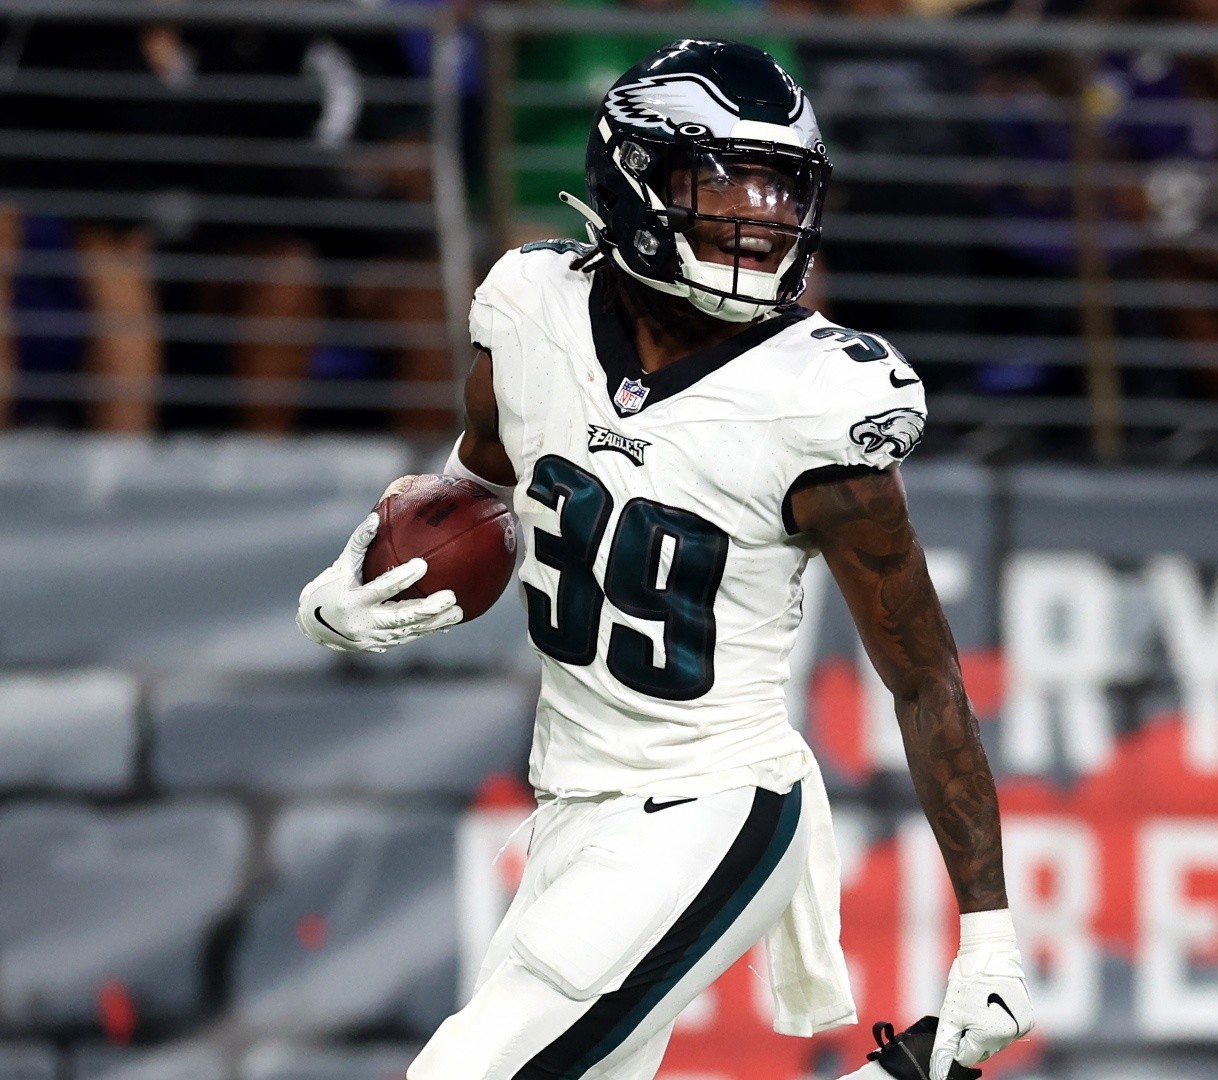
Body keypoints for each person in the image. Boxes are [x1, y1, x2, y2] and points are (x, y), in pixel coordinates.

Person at [293, 40, 1034, 1080]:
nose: (762, 214)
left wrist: (989, 931)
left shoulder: (819, 400)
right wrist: (354, 573)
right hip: (571, 808)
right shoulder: (532, 311)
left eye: (782, 186)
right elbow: (475, 486)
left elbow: (923, 675)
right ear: (635, 180)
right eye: (726, 179)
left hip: (714, 806)